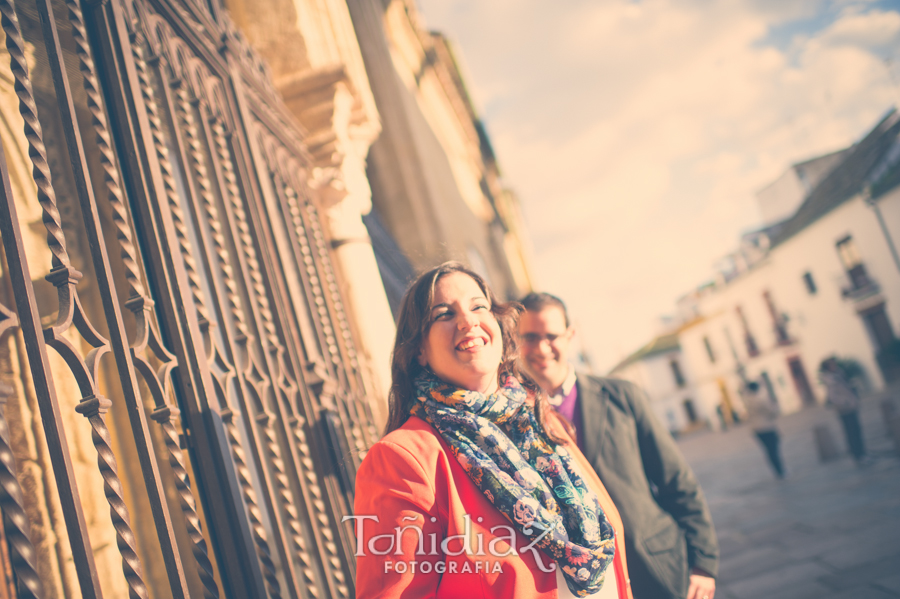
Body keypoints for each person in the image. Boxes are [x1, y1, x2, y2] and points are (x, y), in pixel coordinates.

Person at [353, 263, 635, 598]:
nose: (468, 321)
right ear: (419, 351)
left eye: (478, 306)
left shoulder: (542, 418)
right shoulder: (403, 459)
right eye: (444, 313)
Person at [518, 292, 718, 599]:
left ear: (570, 336)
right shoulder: (515, 422)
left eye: (551, 336)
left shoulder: (623, 396)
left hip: (657, 568)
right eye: (529, 337)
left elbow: (675, 480)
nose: (542, 348)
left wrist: (703, 563)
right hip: (582, 585)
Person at [818, 357, 868, 465]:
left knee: (857, 430)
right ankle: (858, 455)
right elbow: (832, 397)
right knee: (851, 432)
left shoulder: (840, 374)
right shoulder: (830, 379)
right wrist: (846, 402)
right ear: (828, 367)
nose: (834, 365)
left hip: (851, 406)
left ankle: (862, 452)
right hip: (844, 409)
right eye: (831, 364)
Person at [740, 380, 785, 479]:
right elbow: (771, 412)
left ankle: (777, 471)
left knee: (768, 450)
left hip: (756, 429)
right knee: (774, 449)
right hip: (767, 427)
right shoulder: (760, 399)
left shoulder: (747, 401)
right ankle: (780, 471)